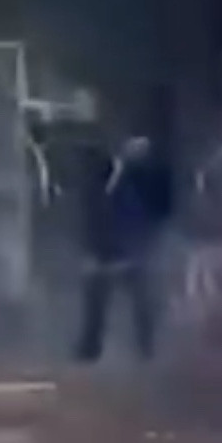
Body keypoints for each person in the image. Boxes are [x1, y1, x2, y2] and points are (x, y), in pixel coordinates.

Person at [74, 129, 174, 361]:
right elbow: (92, 213)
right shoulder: (103, 173)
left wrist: (140, 251)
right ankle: (89, 350)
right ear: (125, 148)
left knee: (143, 301)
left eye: (144, 150)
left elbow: (152, 216)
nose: (141, 153)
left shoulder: (148, 179)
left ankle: (145, 349)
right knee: (96, 300)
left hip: (134, 251)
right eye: (137, 148)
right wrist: (90, 250)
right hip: (104, 249)